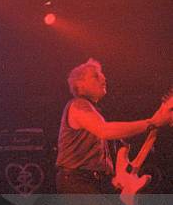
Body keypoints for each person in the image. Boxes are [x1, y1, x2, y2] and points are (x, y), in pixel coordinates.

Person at [56, 58, 170, 194]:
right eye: (96, 75)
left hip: (97, 182)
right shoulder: (78, 104)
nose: (103, 78)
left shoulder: (95, 112)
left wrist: (121, 165)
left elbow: (118, 143)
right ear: (80, 84)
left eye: (102, 74)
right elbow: (104, 130)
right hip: (78, 181)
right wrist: (151, 123)